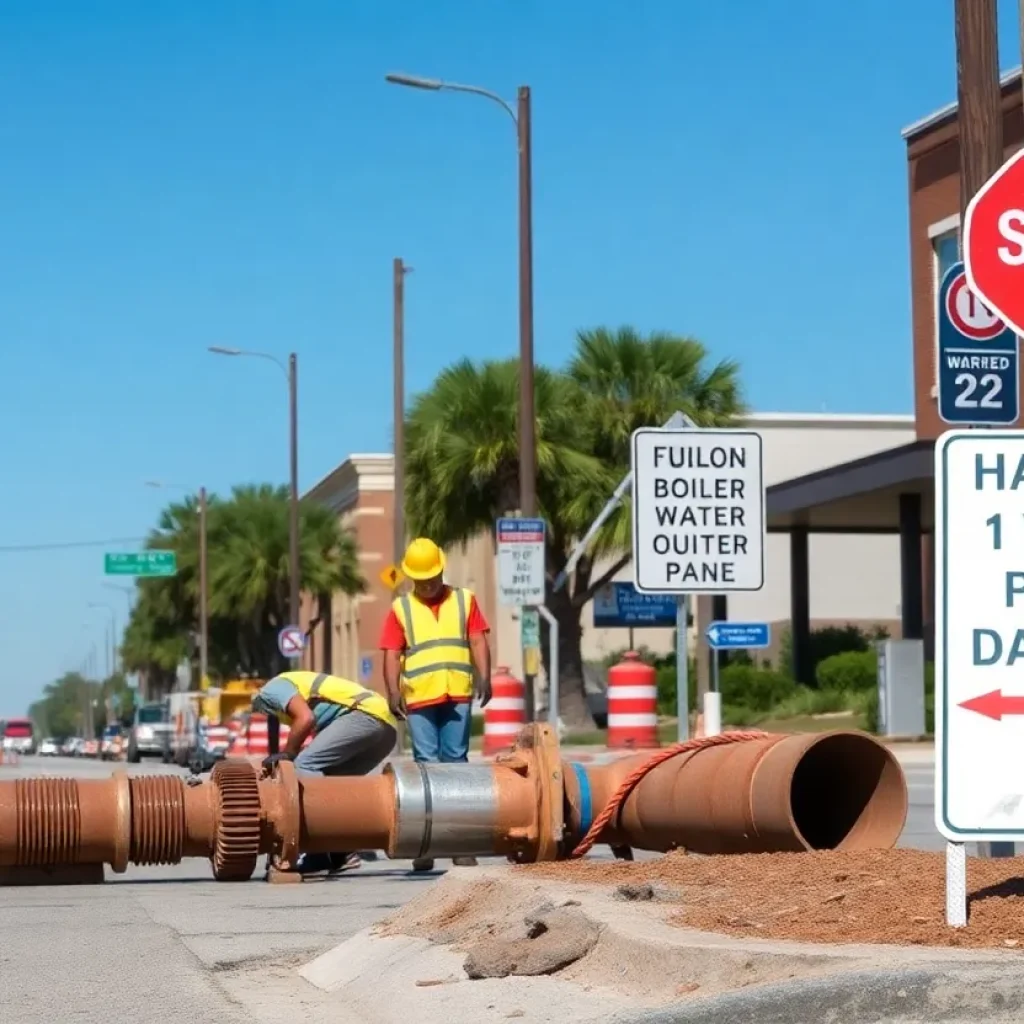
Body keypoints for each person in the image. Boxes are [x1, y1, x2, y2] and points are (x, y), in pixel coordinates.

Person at [380, 537, 492, 872]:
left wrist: (485, 676)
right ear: (411, 577)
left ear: (441, 570)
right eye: (420, 579)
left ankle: (459, 844)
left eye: (432, 577)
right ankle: (425, 844)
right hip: (419, 695)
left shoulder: (464, 600)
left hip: (456, 692)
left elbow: (477, 639)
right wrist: (392, 689)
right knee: (425, 764)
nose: (427, 584)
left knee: (456, 762)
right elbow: (391, 652)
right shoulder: (401, 608)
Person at [251, 669, 398, 876]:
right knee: (329, 783)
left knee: (305, 764)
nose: (265, 713)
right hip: (386, 729)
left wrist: (289, 754)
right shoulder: (286, 695)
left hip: (363, 715)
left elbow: (305, 718)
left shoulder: (272, 690)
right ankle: (342, 852)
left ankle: (317, 852)